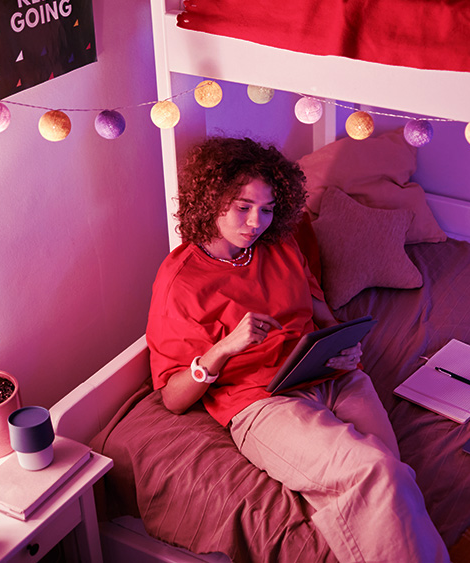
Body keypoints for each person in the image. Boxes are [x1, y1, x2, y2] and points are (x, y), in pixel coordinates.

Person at [146, 136, 449, 563]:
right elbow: (174, 398)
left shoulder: (280, 242)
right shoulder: (181, 281)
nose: (256, 222)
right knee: (376, 474)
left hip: (328, 372)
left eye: (267, 209)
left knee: (393, 475)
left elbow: (321, 312)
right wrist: (224, 348)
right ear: (211, 200)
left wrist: (344, 345)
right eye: (243, 207)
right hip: (261, 401)